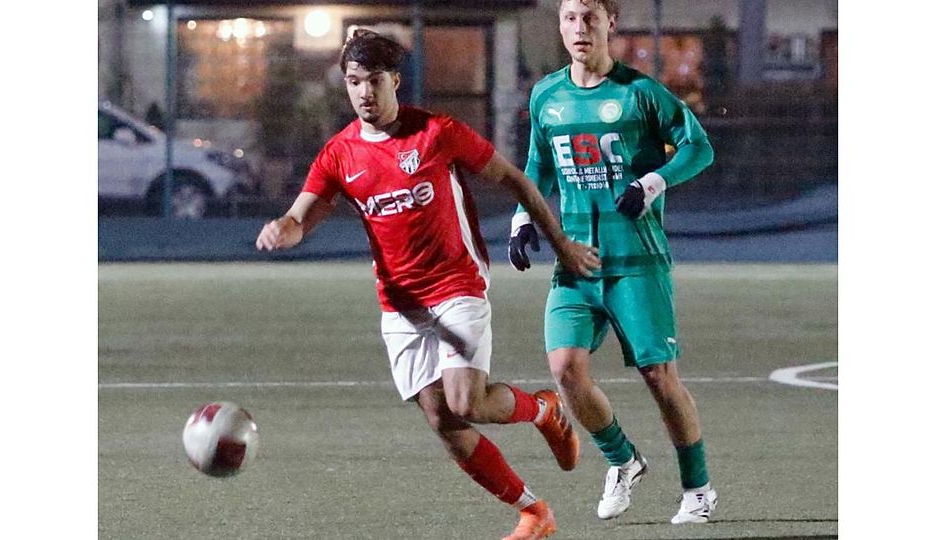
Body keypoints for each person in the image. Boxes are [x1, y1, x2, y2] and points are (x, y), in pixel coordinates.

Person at [256, 29, 600, 540]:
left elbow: (516, 181)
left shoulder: (436, 133)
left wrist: (564, 246)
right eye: (354, 82)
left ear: (395, 80)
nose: (364, 93)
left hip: (457, 285)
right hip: (400, 306)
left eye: (374, 81)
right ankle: (534, 512)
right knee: (444, 421)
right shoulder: (339, 154)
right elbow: (303, 213)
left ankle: (543, 410)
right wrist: (286, 228)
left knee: (465, 402)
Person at [507, 0, 719, 525]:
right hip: (575, 258)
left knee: (659, 376)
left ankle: (698, 490)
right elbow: (539, 164)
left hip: (638, 260)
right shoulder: (546, 95)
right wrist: (522, 219)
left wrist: (652, 182)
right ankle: (623, 460)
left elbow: (700, 147)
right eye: (569, 17)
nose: (579, 28)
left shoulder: (641, 93)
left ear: (611, 23)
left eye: (589, 17)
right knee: (565, 369)